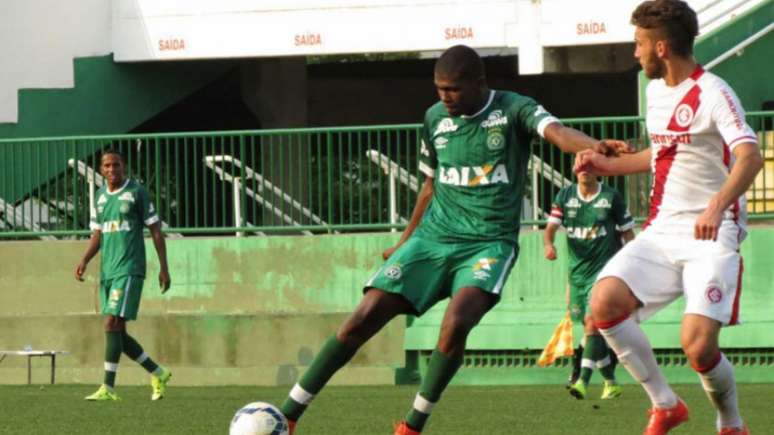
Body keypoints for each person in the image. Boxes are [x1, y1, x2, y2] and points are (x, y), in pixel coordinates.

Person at [277, 44, 628, 435]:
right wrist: (405, 241)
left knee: (455, 323)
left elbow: (558, 133)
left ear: (479, 83)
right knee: (360, 319)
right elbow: (429, 186)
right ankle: (288, 415)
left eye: (454, 89)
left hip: (488, 243)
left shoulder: (513, 109)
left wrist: (593, 146)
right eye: (439, 88)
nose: (445, 96)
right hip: (432, 239)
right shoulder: (434, 119)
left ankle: (412, 425)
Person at [574, 1, 762, 433]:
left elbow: (749, 157)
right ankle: (666, 404)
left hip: (712, 236)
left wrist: (716, 205)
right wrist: (603, 166)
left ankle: (731, 423)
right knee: (603, 302)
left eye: (638, 43)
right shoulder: (655, 92)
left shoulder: (715, 92)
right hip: (661, 232)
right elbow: (661, 156)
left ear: (660, 47)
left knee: (697, 347)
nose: (634, 53)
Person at [75, 149, 173, 401]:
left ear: (123, 166)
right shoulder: (99, 197)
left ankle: (108, 387)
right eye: (106, 166)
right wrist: (85, 260)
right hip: (108, 270)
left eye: (116, 165)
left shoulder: (137, 192)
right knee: (116, 330)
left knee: (111, 323)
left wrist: (164, 267)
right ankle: (158, 372)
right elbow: (97, 234)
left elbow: (156, 231)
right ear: (101, 169)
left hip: (129, 268)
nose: (111, 170)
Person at [544, 171, 635, 400]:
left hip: (604, 272)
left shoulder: (611, 196)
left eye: (589, 164)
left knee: (592, 323)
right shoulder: (565, 196)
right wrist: (548, 244)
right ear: (574, 169)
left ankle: (582, 381)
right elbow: (551, 228)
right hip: (577, 275)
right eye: (579, 163)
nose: (584, 168)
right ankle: (611, 382)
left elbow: (628, 233)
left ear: (598, 169)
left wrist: (631, 265)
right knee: (589, 329)